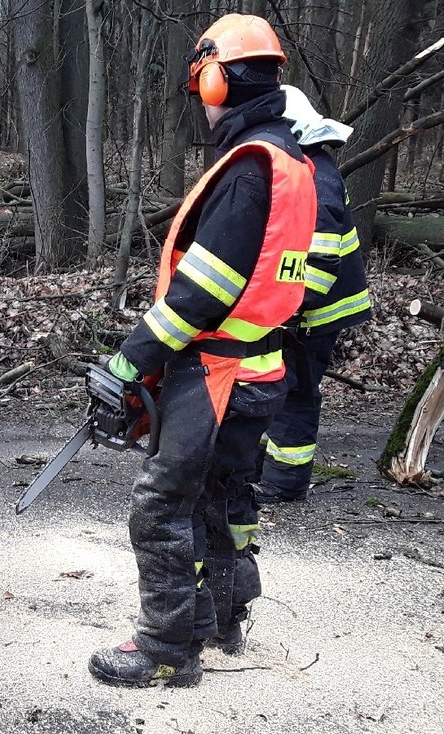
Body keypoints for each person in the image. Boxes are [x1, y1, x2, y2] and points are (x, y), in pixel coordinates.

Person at [86, 14, 317, 688]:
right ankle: (223, 618)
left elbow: (202, 291)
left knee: (162, 504)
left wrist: (132, 360)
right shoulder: (292, 161)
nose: (202, 99)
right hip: (260, 363)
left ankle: (165, 649)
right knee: (221, 498)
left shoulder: (250, 169)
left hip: (218, 369)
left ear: (217, 77)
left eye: (202, 83)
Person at [253, 85, 373, 504]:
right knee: (273, 386)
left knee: (296, 394)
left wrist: (287, 310)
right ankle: (260, 470)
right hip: (300, 307)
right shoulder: (303, 168)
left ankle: (284, 484)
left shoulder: (316, 177)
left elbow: (320, 267)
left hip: (315, 311)